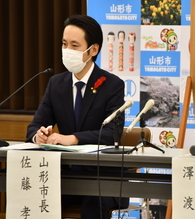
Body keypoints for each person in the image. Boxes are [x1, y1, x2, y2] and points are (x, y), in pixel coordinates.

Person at [26, 15, 129, 219]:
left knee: (93, 205)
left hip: (103, 180)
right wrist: (39, 136)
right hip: (64, 177)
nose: (67, 51)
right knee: (35, 197)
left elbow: (112, 134)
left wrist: (73, 139)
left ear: (93, 50)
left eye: (75, 45)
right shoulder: (56, 84)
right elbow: (34, 127)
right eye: (65, 44)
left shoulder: (112, 85)